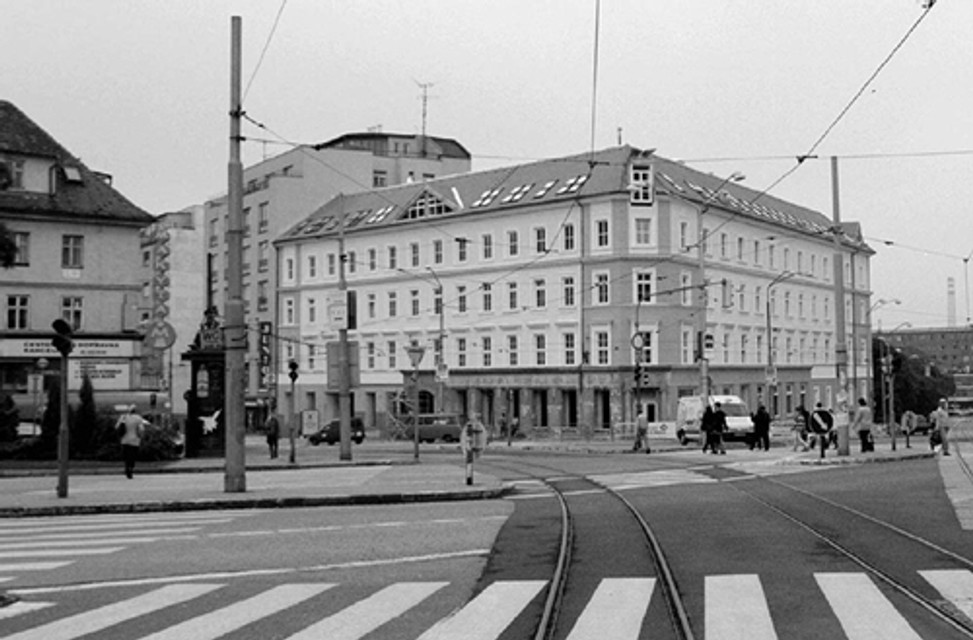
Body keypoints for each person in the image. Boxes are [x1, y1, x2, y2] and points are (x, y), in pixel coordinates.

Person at [116, 405, 148, 479]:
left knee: (126, 456)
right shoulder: (138, 418)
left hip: (124, 440)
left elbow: (117, 427)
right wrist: (141, 436)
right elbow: (141, 429)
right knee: (133, 456)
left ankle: (127, 467)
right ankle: (131, 468)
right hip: (135, 440)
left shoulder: (123, 417)